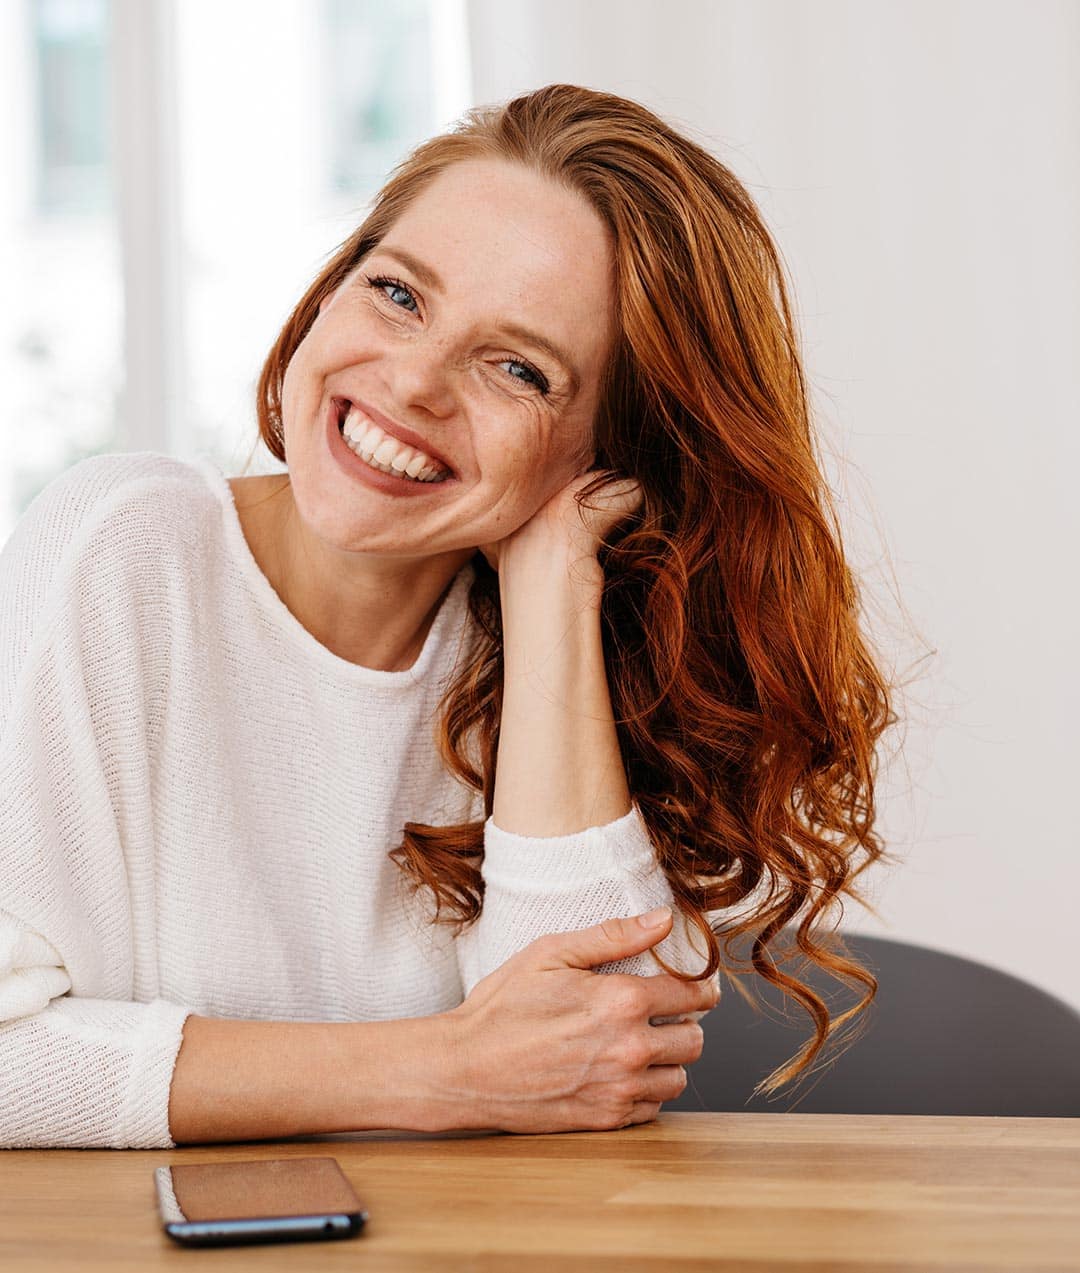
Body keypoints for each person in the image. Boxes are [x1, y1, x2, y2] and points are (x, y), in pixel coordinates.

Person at [0, 84, 897, 1150]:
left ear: (607, 454)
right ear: (332, 286)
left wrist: (553, 576)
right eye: (398, 293)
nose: (415, 380)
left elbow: (588, 1077)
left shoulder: (575, 649)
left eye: (518, 368)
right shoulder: (122, 549)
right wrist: (446, 1070)